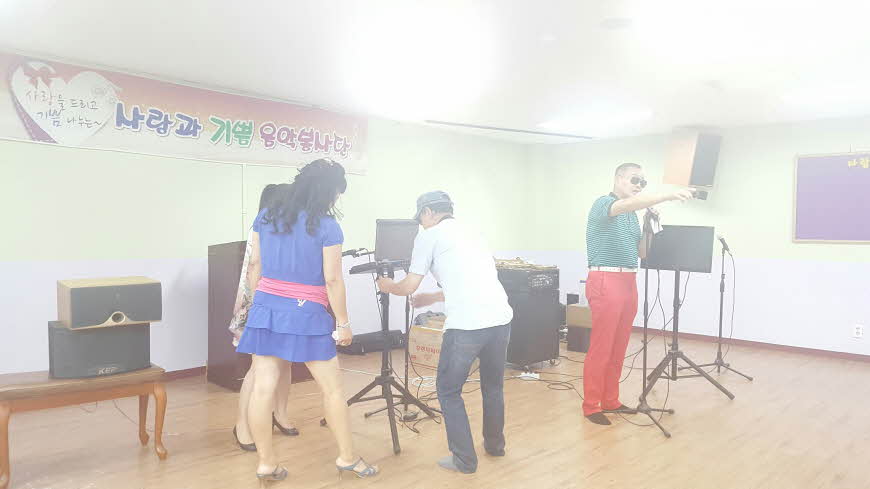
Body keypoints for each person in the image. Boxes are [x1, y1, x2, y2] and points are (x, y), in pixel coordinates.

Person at [235, 159, 379, 481]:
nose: (336, 200)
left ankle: (266, 464)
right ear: (327, 191)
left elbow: (254, 264)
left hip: (266, 310)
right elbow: (332, 279)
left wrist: (261, 303)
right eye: (336, 194)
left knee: (262, 389)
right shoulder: (327, 226)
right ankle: (347, 458)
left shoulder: (266, 215)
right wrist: (343, 322)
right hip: (307, 315)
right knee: (333, 391)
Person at [377, 191, 513, 474]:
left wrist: (387, 286)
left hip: (467, 325)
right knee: (493, 386)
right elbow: (472, 281)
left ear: (428, 212)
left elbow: (408, 286)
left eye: (421, 218)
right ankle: (495, 445)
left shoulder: (429, 236)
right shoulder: (473, 231)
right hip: (500, 319)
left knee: (448, 390)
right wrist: (433, 297)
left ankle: (464, 460)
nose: (421, 224)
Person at [582, 163, 694, 425]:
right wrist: (667, 195)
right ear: (619, 178)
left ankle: (610, 400)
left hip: (628, 280)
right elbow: (624, 205)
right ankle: (591, 405)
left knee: (619, 345)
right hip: (606, 278)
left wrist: (647, 226)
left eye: (643, 182)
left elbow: (642, 253)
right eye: (635, 180)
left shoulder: (632, 215)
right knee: (602, 346)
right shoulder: (603, 204)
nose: (639, 186)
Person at [231, 183, 299, 453]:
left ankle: (280, 414)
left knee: (285, 362)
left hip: (283, 304)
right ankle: (241, 425)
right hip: (260, 304)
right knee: (258, 368)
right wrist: (258, 305)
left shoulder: (288, 229)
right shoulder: (262, 228)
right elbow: (254, 268)